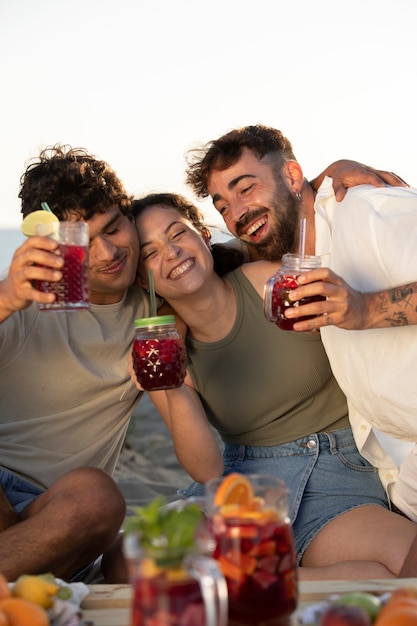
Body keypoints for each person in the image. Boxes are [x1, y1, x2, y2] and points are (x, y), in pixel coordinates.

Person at [130, 192, 417, 581]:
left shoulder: (271, 280)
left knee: (406, 564)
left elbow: (301, 212)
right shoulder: (161, 352)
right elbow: (206, 468)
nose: (171, 253)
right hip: (240, 491)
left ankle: (254, 579)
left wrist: (330, 176)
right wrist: (172, 384)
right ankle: (277, 580)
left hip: (337, 477)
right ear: (141, 278)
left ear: (202, 234)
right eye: (149, 253)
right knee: (134, 562)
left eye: (177, 233)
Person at [184, 126, 417, 524]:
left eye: (245, 188)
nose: (237, 213)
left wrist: (366, 309)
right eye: (222, 206)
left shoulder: (365, 210)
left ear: (292, 177)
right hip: (396, 465)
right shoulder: (281, 252)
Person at [0, 144, 153, 583]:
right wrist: (8, 297)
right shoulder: (23, 298)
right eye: (82, 244)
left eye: (113, 228)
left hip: (63, 513)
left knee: (98, 498)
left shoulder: (158, 307)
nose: (107, 254)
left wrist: (323, 189)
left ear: (130, 215)